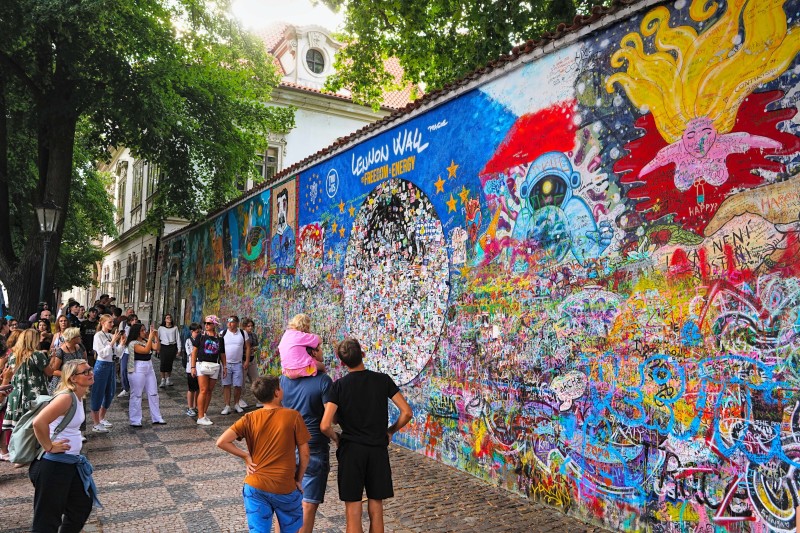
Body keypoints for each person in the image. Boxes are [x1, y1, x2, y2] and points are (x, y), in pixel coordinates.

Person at [320, 338, 413, 533]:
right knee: (376, 506)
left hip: (351, 451)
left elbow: (326, 424)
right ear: (363, 354)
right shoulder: (383, 380)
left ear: (342, 363)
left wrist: (336, 438)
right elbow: (406, 412)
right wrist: (390, 431)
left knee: (353, 508)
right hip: (377, 449)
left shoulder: (338, 386)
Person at [216, 376, 310, 533]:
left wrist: (245, 456)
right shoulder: (293, 416)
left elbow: (221, 442)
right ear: (277, 392)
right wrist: (298, 479)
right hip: (284, 487)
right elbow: (305, 454)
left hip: (255, 486)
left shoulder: (249, 418)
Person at [30, 358, 101, 532]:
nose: (90, 373)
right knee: (47, 519)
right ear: (72, 378)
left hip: (69, 463)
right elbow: (38, 422)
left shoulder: (77, 396)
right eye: (84, 372)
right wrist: (49, 446)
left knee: (81, 505)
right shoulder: (66, 398)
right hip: (53, 465)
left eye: (90, 369)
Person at [280, 348, 333, 533]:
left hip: (287, 446)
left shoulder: (284, 378)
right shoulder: (323, 380)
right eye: (318, 348)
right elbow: (329, 421)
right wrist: (336, 438)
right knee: (308, 506)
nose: (321, 351)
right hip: (314, 447)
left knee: (284, 505)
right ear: (311, 353)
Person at [2, 329, 55, 433]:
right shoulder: (37, 355)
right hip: (34, 395)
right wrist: (52, 358)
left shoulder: (13, 355)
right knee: (35, 428)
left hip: (16, 395)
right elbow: (49, 372)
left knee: (17, 430)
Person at [90, 314, 125, 433]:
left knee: (110, 392)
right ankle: (95, 423)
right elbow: (102, 353)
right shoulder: (98, 336)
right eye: (109, 322)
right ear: (103, 323)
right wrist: (112, 342)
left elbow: (118, 353)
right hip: (101, 365)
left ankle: (102, 417)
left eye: (112, 322)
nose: (112, 324)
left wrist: (121, 343)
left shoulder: (111, 335)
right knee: (98, 392)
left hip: (111, 365)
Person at [126, 323, 166, 427]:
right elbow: (145, 350)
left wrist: (156, 336)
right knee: (137, 394)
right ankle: (135, 419)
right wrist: (150, 337)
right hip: (137, 368)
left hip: (149, 366)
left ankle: (157, 417)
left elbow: (156, 348)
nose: (145, 332)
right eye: (142, 330)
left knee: (153, 393)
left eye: (145, 330)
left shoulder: (144, 341)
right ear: (137, 332)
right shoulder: (132, 343)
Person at [190, 315, 226, 426]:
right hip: (202, 365)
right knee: (203, 390)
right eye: (205, 323)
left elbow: (222, 353)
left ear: (214, 325)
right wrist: (193, 367)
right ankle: (200, 416)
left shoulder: (219, 337)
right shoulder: (201, 336)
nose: (206, 325)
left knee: (210, 391)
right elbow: (194, 352)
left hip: (214, 365)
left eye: (209, 323)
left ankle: (204, 413)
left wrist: (225, 366)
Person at [278, 314, 325, 379]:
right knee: (322, 366)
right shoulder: (301, 335)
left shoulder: (286, 335)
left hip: (287, 371)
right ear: (306, 326)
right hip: (302, 369)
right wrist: (311, 334)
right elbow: (319, 340)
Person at [221, 316, 249, 415]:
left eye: (232, 322)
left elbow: (248, 347)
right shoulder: (222, 333)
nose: (229, 323)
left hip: (238, 364)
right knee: (226, 385)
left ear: (237, 323)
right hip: (226, 364)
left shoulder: (243, 333)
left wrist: (246, 361)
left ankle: (236, 404)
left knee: (238, 385)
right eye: (228, 321)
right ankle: (227, 406)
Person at [48, 328, 88, 395]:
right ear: (72, 338)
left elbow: (85, 360)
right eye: (78, 336)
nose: (80, 337)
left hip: (77, 381)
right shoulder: (61, 351)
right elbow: (54, 371)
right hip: (63, 383)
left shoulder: (80, 346)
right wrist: (69, 375)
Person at [157, 314, 181, 388]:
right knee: (163, 362)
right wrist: (157, 348)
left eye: (170, 317)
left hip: (172, 346)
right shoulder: (161, 328)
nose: (169, 319)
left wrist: (179, 348)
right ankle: (162, 379)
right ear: (165, 319)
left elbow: (178, 338)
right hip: (163, 346)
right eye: (167, 318)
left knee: (169, 363)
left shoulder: (175, 328)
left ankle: (168, 379)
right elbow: (157, 338)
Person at [184, 323, 200, 417]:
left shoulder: (200, 340)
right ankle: (190, 407)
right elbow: (191, 353)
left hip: (200, 367)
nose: (198, 334)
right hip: (191, 367)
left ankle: (197, 405)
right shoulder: (189, 341)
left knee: (198, 388)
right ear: (192, 332)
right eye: (196, 332)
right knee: (191, 388)